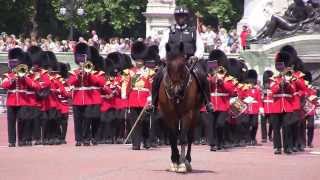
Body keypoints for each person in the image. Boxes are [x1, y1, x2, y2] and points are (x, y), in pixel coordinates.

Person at [152, 5, 213, 112]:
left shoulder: (193, 31)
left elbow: (200, 47)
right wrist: (163, 57)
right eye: (179, 16)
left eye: (183, 16)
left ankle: (208, 102)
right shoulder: (169, 31)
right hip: (171, 62)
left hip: (189, 61)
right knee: (157, 77)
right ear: (175, 17)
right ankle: (153, 103)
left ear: (186, 17)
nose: (181, 18)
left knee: (202, 76)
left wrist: (196, 56)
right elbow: (162, 46)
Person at [67, 43, 106, 146]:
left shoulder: (96, 72)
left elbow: (101, 83)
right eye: (79, 58)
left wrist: (89, 74)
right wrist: (79, 74)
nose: (81, 61)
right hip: (77, 99)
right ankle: (79, 139)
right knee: (78, 120)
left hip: (89, 98)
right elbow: (70, 82)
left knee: (87, 119)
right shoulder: (73, 72)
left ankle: (88, 137)